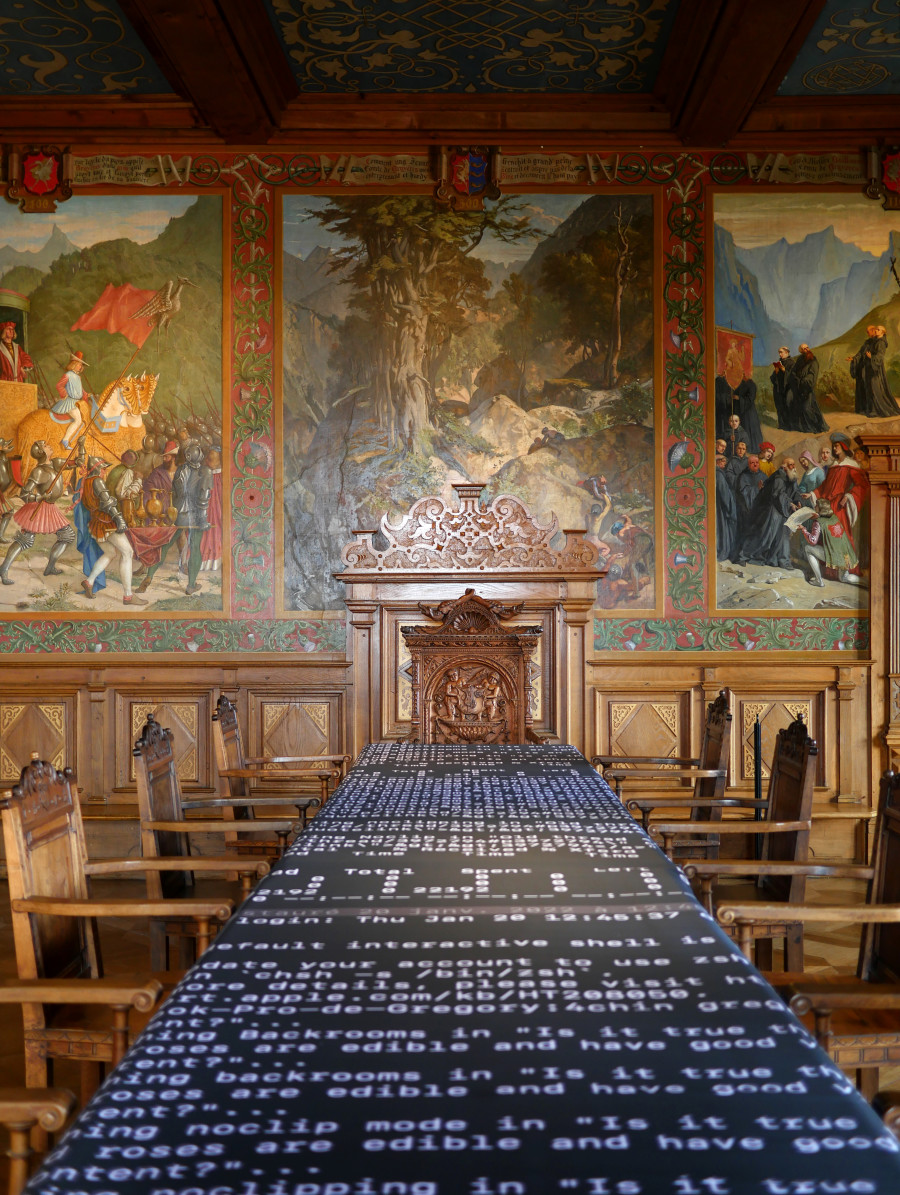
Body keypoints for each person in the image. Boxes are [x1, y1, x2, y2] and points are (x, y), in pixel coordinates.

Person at [137, 442, 211, 596]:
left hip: (178, 514)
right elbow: (204, 496)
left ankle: (149, 578)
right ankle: (191, 585)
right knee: (195, 548)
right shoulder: (205, 471)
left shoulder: (181, 470)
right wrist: (203, 519)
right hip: (196, 515)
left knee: (165, 545)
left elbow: (176, 493)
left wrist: (174, 512)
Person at [0, 440, 78, 584]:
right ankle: (3, 568)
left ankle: (50, 567)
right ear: (42, 452)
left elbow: (77, 462)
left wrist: (82, 445)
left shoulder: (55, 464)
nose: (50, 446)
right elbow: (24, 494)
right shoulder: (39, 471)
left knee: (67, 536)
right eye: (46, 446)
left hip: (51, 508)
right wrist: (39, 496)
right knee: (25, 541)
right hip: (39, 508)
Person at [80, 455, 147, 605]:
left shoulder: (86, 482)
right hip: (106, 522)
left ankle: (89, 581)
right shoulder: (97, 481)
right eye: (103, 469)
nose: (104, 472)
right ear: (97, 468)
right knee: (127, 552)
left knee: (110, 553)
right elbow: (107, 503)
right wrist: (119, 519)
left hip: (95, 522)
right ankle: (128, 596)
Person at [735, 457, 802, 569]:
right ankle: (744, 555)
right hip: (771, 510)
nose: (793, 467)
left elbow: (796, 491)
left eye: (794, 464)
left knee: (783, 535)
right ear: (784, 467)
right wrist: (790, 504)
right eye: (790, 465)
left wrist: (798, 500)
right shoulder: (778, 478)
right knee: (766, 536)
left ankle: (782, 560)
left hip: (782, 509)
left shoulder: (792, 477)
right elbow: (777, 495)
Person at [815, 431, 870, 564]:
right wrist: (812, 494)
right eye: (833, 446)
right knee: (827, 536)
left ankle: (844, 568)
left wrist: (849, 496)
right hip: (827, 506)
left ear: (844, 447)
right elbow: (824, 487)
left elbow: (862, 485)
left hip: (839, 506)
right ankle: (830, 570)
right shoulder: (833, 466)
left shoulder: (851, 465)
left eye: (837, 445)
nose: (834, 448)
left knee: (840, 535)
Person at [798, 497, 860, 588]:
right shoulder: (833, 517)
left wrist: (803, 529)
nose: (814, 506)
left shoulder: (818, 523)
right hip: (845, 555)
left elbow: (812, 541)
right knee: (844, 577)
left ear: (820, 509)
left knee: (808, 548)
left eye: (816, 506)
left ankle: (819, 581)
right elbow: (817, 516)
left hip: (833, 555)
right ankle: (866, 582)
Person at [848, 324, 899, 418]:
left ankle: (875, 410)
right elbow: (862, 352)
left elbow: (880, 356)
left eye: (878, 329)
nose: (876, 331)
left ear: (882, 332)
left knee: (874, 388)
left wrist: (872, 357)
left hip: (875, 369)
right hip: (869, 367)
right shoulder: (873, 341)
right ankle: (870, 409)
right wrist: (854, 358)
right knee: (869, 388)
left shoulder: (881, 343)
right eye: (875, 329)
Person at [51, 350, 90, 449]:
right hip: (70, 402)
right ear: (73, 364)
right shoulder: (68, 374)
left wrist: (86, 395)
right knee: (78, 420)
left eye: (81, 365)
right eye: (78, 364)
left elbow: (80, 390)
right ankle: (65, 440)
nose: (80, 367)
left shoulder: (78, 377)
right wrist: (65, 394)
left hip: (77, 402)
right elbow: (59, 385)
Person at [786, 343, 828, 433]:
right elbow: (794, 371)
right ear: (801, 351)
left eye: (807, 347)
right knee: (796, 405)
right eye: (804, 348)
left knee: (807, 408)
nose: (807, 349)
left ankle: (816, 427)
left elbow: (813, 374)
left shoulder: (813, 359)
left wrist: (804, 381)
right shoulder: (800, 359)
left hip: (807, 388)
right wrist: (795, 378)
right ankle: (805, 427)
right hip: (798, 387)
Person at [715, 454, 738, 562]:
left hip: (718, 506)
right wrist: (729, 507)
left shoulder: (716, 473)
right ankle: (721, 552)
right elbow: (724, 492)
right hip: (720, 507)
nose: (725, 464)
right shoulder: (718, 474)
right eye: (723, 462)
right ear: (718, 462)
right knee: (721, 529)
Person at [733, 372, 761, 454]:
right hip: (741, 411)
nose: (742, 376)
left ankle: (753, 448)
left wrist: (739, 398)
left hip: (749, 412)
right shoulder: (740, 384)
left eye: (744, 375)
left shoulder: (751, 385)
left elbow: (750, 399)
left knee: (750, 429)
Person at [770, 347, 793, 430]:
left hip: (787, 389)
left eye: (781, 352)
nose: (780, 354)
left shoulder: (791, 363)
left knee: (787, 406)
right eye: (779, 352)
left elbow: (793, 376)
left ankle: (789, 425)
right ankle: (782, 425)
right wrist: (776, 371)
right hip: (778, 389)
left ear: (787, 353)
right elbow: (772, 378)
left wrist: (784, 371)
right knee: (779, 406)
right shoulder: (779, 363)